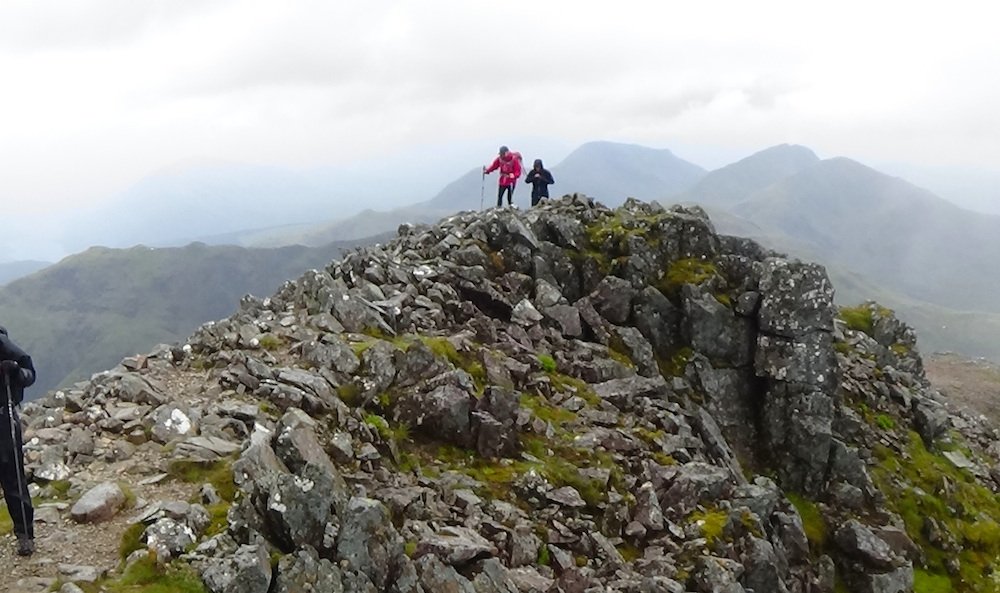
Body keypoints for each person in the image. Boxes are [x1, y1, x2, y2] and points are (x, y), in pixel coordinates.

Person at [0, 326, 36, 556]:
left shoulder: (2, 345)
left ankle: (25, 535)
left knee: (12, 477)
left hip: (3, 419)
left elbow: (29, 373)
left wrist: (13, 371)